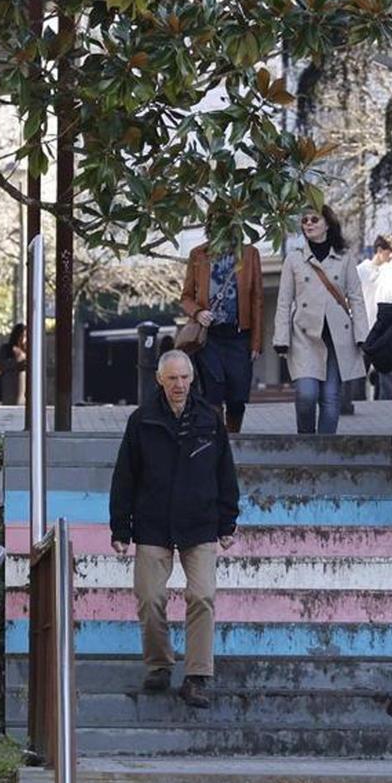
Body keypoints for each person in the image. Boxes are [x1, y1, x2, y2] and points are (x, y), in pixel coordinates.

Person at [109, 350, 240, 708]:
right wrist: (120, 528)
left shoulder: (210, 419)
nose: (179, 385)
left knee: (202, 596)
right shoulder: (142, 420)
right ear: (159, 380)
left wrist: (228, 521)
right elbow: (124, 476)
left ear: (192, 379)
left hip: (200, 523)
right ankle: (159, 665)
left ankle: (197, 676)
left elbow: (224, 473)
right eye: (172, 379)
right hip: (152, 523)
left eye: (184, 378)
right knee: (150, 598)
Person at [274, 206, 368, 434]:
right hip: (304, 337)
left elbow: (356, 298)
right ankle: (306, 444)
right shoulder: (294, 260)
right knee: (306, 394)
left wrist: (362, 335)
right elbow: (284, 301)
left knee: (330, 397)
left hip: (338, 338)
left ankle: (326, 453)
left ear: (327, 224)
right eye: (304, 220)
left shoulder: (345, 258)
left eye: (314, 219)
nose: (308, 224)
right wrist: (281, 337)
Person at [179, 238, 264, 433]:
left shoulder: (250, 253)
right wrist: (198, 313)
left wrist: (256, 343)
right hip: (210, 337)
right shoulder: (198, 254)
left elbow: (257, 299)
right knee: (213, 393)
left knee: (237, 398)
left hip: (239, 335)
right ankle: (217, 442)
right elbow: (186, 297)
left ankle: (233, 439)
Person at [358, 234, 392, 400]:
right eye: (390, 252)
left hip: (387, 334)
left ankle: (387, 413)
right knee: (358, 377)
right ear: (379, 250)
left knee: (387, 378)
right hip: (364, 331)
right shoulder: (362, 270)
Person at [0, 323, 27, 406]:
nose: (23, 339)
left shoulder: (30, 349)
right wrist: (17, 361)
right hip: (9, 387)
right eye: (21, 336)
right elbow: (1, 365)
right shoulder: (6, 349)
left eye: (25, 336)